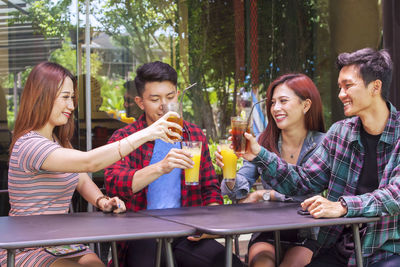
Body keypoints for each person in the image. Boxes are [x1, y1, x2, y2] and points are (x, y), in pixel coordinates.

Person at [0, 61, 182, 267]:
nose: (71, 106)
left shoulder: (57, 141)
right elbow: (89, 163)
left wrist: (102, 201)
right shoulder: (29, 145)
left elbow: (81, 179)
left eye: (72, 98)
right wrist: (148, 133)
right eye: (65, 98)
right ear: (43, 96)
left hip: (59, 243)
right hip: (28, 246)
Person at [237, 48, 400, 267]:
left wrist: (342, 206)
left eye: (348, 86)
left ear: (375, 87)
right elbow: (303, 182)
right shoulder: (340, 133)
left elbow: (394, 195)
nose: (341, 94)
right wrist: (259, 154)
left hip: (387, 250)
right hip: (340, 249)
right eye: (339, 87)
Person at [104, 61, 243, 267]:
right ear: (140, 102)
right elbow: (115, 183)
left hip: (188, 231)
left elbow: (210, 189)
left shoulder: (193, 135)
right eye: (155, 99)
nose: (164, 106)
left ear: (178, 95)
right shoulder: (126, 138)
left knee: (228, 263)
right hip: (141, 233)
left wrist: (209, 227)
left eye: (170, 97)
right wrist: (161, 167)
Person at [217, 73, 325, 267]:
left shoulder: (322, 143)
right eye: (273, 103)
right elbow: (237, 192)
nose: (276, 108)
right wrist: (229, 173)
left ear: (306, 105)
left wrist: (265, 195)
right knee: (261, 264)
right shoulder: (263, 142)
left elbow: (305, 192)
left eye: (283, 101)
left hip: (307, 232)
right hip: (268, 229)